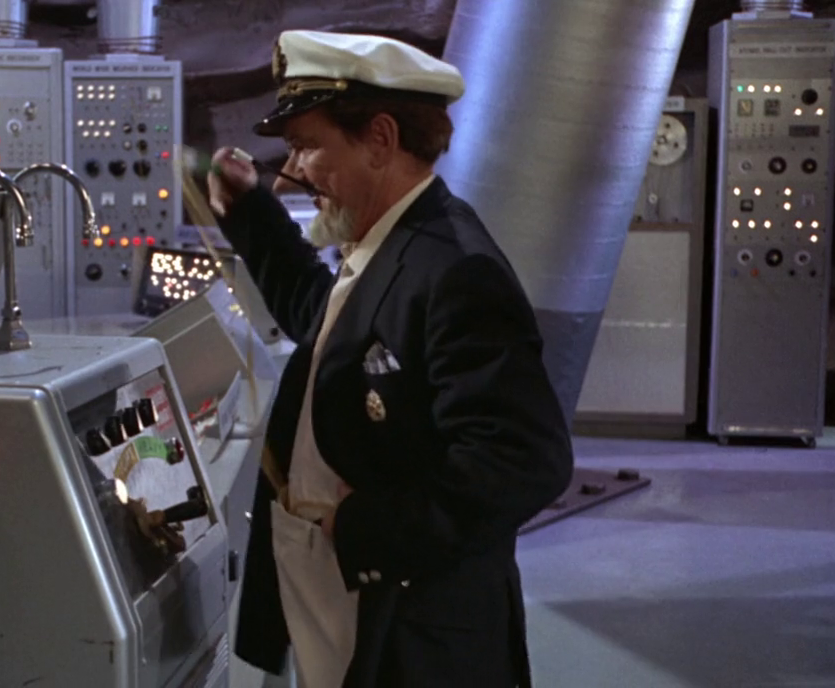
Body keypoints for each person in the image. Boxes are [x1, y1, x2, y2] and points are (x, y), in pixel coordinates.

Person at [206, 30, 575, 688]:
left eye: (307, 146)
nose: (290, 173)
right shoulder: (392, 240)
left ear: (379, 139)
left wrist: (364, 529)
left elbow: (523, 461)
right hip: (349, 605)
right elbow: (329, 324)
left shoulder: (456, 270)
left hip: (412, 632)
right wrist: (251, 213)